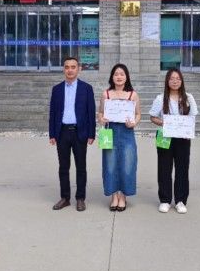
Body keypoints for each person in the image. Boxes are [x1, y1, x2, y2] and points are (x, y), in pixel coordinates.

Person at [49, 56, 96, 212]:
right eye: (67, 67)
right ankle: (65, 198)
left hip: (79, 132)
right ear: (64, 69)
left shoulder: (86, 88)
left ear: (79, 69)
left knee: (81, 167)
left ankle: (80, 198)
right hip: (62, 132)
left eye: (73, 67)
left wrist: (91, 134)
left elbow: (91, 112)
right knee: (63, 167)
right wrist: (52, 134)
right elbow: (53, 113)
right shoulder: (57, 89)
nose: (70, 70)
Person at [149, 69, 198, 214]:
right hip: (165, 137)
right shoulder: (160, 98)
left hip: (183, 138)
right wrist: (164, 122)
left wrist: (188, 130)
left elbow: (192, 117)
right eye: (171, 78)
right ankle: (165, 200)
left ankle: (180, 200)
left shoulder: (188, 98)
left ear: (181, 81)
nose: (175, 81)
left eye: (177, 78)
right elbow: (153, 117)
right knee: (164, 168)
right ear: (167, 81)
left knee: (182, 168)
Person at [98, 64, 140, 212]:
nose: (119, 77)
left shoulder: (132, 95)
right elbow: (100, 113)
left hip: (127, 133)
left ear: (126, 77)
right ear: (112, 77)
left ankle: (123, 196)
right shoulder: (106, 94)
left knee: (128, 165)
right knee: (110, 165)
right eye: (116, 74)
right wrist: (102, 119)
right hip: (110, 133)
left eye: (122, 74)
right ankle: (114, 195)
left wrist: (134, 123)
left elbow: (138, 114)